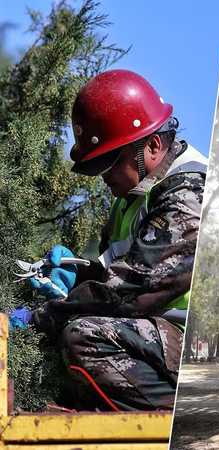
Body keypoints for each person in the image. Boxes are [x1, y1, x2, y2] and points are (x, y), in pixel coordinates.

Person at [10, 69, 207, 411]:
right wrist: (80, 274)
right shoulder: (130, 199)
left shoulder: (190, 194)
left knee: (83, 336)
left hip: (192, 342)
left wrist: (38, 319)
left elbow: (131, 289)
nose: (103, 177)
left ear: (154, 146)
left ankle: (174, 415)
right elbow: (114, 274)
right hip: (155, 336)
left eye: (110, 163)